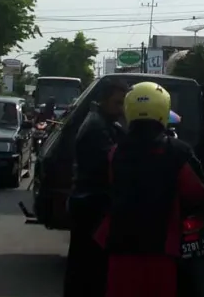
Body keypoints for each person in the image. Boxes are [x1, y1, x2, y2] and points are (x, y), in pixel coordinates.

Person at [94, 82, 204, 297]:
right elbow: (196, 192)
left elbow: (107, 189)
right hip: (161, 248)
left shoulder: (115, 152)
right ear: (163, 109)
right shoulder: (178, 151)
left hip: (119, 245)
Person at [63, 79, 128, 297]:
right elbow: (113, 164)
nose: (121, 109)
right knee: (87, 270)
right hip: (90, 204)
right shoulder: (96, 127)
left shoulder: (107, 124)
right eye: (118, 103)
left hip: (92, 202)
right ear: (103, 101)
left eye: (124, 104)